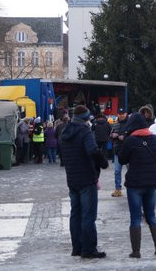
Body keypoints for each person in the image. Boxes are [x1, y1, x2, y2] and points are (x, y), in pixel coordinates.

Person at [60, 105, 109, 259]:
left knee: (75, 214)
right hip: (87, 179)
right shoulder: (84, 131)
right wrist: (103, 162)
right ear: (86, 118)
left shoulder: (66, 130)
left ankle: (77, 247)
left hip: (72, 178)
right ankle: (88, 249)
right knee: (88, 216)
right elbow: (92, 150)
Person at [119, 113, 156, 258]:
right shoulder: (154, 139)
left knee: (135, 218)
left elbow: (122, 159)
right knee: (152, 217)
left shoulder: (130, 140)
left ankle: (136, 252)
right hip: (151, 182)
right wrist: (155, 164)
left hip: (135, 183)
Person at [110, 108, 129, 197]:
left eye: (123, 113)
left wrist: (125, 137)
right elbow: (111, 134)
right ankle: (118, 189)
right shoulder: (115, 123)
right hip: (117, 150)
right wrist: (113, 135)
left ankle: (132, 187)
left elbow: (133, 135)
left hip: (129, 151)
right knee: (117, 171)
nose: (121, 115)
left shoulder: (130, 123)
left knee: (131, 170)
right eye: (120, 113)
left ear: (126, 114)